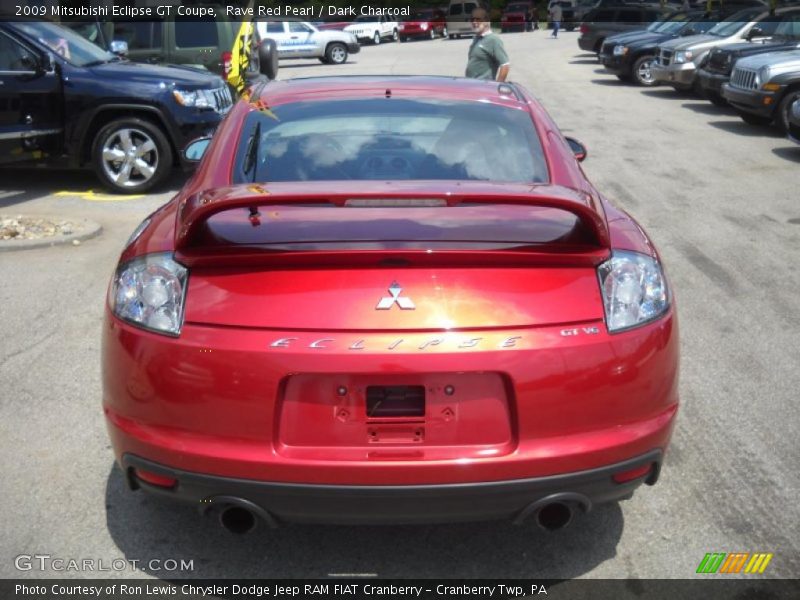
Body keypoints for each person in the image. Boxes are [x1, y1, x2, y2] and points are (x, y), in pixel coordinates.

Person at [464, 7, 511, 82]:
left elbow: (505, 65)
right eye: (472, 20)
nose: (474, 22)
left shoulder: (493, 40)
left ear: (486, 21)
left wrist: (496, 87)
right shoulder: (476, 39)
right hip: (472, 86)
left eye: (478, 19)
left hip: (484, 87)